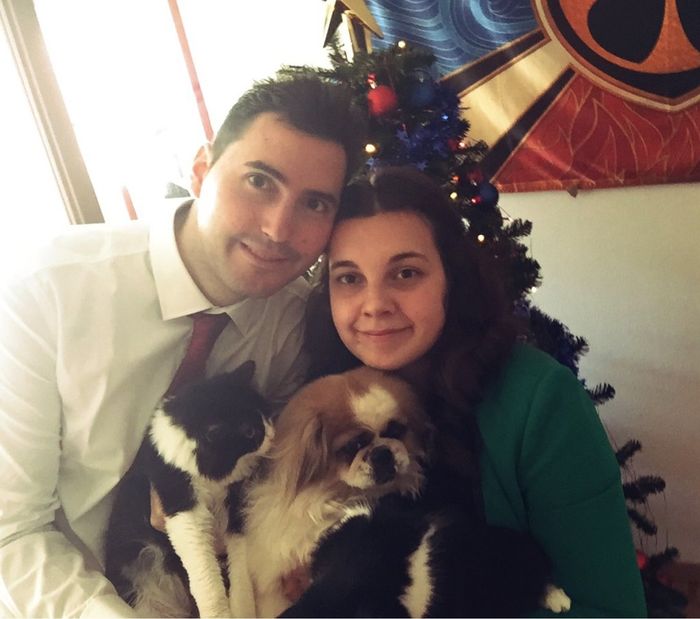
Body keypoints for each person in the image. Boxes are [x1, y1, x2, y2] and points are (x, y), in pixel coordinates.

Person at [0, 74, 366, 618]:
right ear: (201, 169)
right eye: (260, 181)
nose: (278, 228)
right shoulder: (46, 290)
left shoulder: (295, 317)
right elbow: (13, 531)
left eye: (314, 204)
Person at [303, 166, 648, 617]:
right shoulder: (315, 398)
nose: (375, 305)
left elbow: (611, 609)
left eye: (405, 273)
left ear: (452, 278)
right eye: (349, 278)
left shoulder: (540, 401)